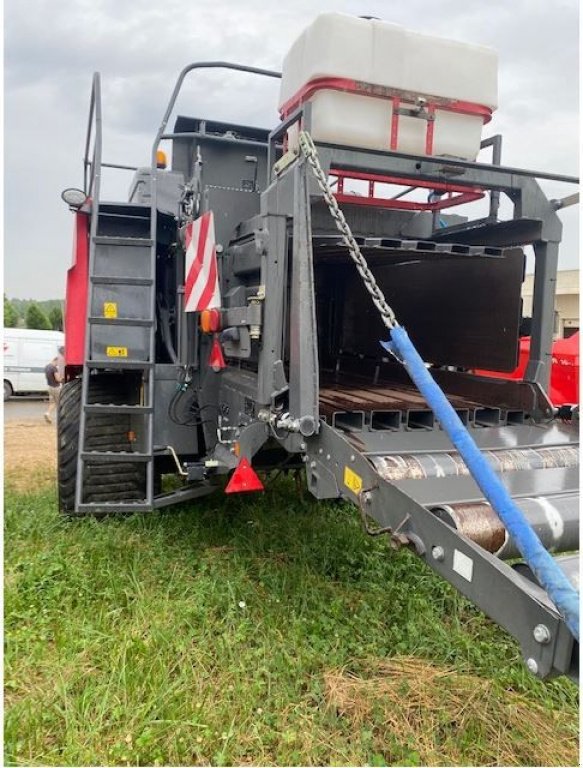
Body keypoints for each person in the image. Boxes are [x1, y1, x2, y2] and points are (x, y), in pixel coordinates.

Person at [44, 355, 62, 424]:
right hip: (56, 388)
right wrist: (62, 379)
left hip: (50, 387)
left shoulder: (47, 367)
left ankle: (47, 413)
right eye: (58, 362)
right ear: (56, 360)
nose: (58, 364)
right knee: (59, 403)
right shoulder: (54, 368)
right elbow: (57, 379)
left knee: (52, 402)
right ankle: (61, 418)